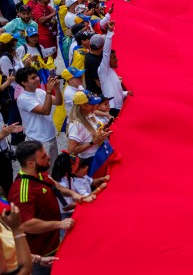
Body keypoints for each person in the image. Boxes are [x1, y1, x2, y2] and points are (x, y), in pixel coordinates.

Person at [8, 141, 91, 274]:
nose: (49, 157)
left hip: (53, 242)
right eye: (43, 156)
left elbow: (54, 184)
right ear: (31, 164)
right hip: (39, 252)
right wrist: (59, 224)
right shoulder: (22, 191)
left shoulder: (40, 173)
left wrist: (73, 194)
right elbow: (26, 225)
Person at [16, 67, 62, 168]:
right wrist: (49, 91)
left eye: (37, 76)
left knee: (53, 169)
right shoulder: (23, 98)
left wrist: (57, 89)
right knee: (43, 171)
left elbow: (58, 102)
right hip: (38, 139)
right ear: (24, 82)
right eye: (33, 78)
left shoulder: (39, 92)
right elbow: (45, 111)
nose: (37, 79)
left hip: (50, 136)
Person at [67, 91, 111, 168]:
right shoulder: (76, 125)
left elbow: (98, 129)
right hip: (91, 160)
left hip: (100, 153)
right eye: (92, 104)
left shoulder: (90, 114)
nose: (95, 106)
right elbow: (71, 150)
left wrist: (104, 130)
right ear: (82, 106)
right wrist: (92, 142)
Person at [98, 21, 129, 117]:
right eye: (114, 58)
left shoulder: (111, 72)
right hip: (112, 110)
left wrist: (126, 93)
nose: (117, 59)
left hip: (118, 108)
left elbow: (116, 92)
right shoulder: (103, 71)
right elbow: (106, 53)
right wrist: (109, 33)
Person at [0, 200, 35, 275]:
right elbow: (24, 269)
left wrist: (38, 259)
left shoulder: (2, 220)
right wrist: (17, 229)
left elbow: (11, 250)